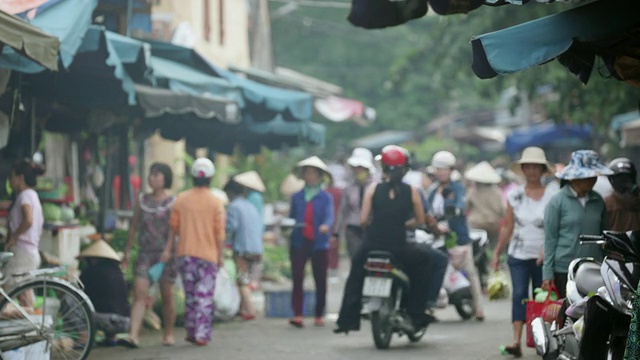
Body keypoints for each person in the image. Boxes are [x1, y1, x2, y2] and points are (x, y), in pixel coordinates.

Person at [334, 145, 431, 333]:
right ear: (405, 169)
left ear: (383, 168)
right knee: (425, 261)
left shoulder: (372, 189)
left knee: (355, 278)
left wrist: (378, 224)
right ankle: (415, 314)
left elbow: (363, 220)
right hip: (399, 248)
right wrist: (404, 225)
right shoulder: (411, 191)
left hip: (371, 246)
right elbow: (420, 220)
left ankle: (346, 320)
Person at [490, 147, 557, 358]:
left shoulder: (553, 195)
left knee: (542, 298)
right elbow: (507, 226)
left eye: (535, 166)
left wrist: (549, 251)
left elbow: (555, 228)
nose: (531, 170)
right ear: (523, 169)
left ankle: (542, 341)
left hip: (543, 257)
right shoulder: (514, 195)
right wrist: (497, 253)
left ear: (542, 169)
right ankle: (516, 340)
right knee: (519, 294)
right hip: (518, 254)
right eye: (527, 166)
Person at [161, 158, 225, 347]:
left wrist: (168, 249)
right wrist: (220, 256)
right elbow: (219, 232)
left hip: (185, 254)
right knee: (204, 296)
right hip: (208, 255)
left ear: (193, 177)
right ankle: (202, 334)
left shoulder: (181, 199)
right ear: (210, 178)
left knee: (190, 295)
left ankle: (191, 331)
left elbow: (173, 228)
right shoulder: (216, 202)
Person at [542, 150, 613, 298]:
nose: (591, 180)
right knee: (567, 314)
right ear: (573, 177)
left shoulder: (598, 201)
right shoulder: (557, 202)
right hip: (564, 269)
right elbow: (550, 239)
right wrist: (547, 273)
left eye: (594, 176)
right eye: (586, 177)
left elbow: (604, 236)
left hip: (594, 268)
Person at [121, 163, 176, 348]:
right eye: (151, 175)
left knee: (167, 295)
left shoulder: (172, 202)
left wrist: (168, 250)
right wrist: (127, 251)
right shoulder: (142, 200)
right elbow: (134, 227)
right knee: (139, 293)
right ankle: (133, 335)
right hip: (145, 254)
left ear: (165, 178)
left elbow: (174, 230)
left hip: (165, 256)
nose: (153, 179)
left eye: (157, 175)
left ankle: (168, 333)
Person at [426, 150, 485, 320]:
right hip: (437, 237)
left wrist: (454, 210)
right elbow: (427, 209)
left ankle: (479, 307)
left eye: (444, 169)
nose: (441, 172)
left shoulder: (457, 187)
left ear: (451, 170)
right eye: (438, 169)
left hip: (458, 236)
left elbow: (460, 204)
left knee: (470, 271)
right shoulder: (432, 190)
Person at [287, 156, 334, 328]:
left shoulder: (325, 197)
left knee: (320, 279)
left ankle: (319, 314)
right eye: (307, 173)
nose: (310, 176)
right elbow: (291, 218)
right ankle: (297, 314)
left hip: (319, 242)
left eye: (313, 173)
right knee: (298, 277)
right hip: (299, 241)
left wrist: (325, 226)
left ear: (319, 176)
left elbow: (330, 216)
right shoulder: (297, 197)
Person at [77, 240, 130, 346]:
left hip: (107, 320)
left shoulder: (89, 272)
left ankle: (84, 338)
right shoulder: (117, 272)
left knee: (71, 301)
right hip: (126, 322)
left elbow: (79, 294)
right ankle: (111, 338)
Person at [224, 177, 263, 321]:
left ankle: (250, 310)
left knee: (242, 280)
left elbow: (231, 227)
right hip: (256, 248)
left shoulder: (234, 206)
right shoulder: (250, 205)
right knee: (248, 279)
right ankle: (242, 309)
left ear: (230, 193)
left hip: (242, 249)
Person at [4, 160, 44, 291]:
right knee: (24, 293)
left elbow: (28, 220)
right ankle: (30, 312)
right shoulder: (32, 195)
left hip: (22, 252)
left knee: (6, 291)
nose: (10, 180)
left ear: (20, 178)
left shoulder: (25, 196)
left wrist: (14, 237)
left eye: (12, 177)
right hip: (30, 252)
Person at [335, 147, 375, 259]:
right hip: (353, 227)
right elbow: (343, 210)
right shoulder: (349, 187)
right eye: (356, 168)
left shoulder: (376, 186)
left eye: (361, 168)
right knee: (356, 257)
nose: (358, 171)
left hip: (371, 227)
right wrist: (336, 232)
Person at [464, 161, 505, 250]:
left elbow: (466, 206)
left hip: (476, 224)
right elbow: (502, 210)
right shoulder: (496, 192)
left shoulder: (472, 191)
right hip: (493, 224)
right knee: (493, 247)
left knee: (475, 248)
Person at [604, 158, 640, 231]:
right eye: (620, 178)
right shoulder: (607, 203)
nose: (624, 182)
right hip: (613, 241)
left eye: (627, 178)